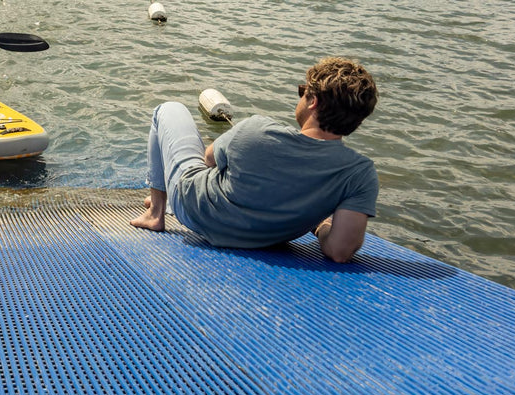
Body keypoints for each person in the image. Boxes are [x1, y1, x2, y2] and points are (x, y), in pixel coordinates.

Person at [130, 57, 378, 263]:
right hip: (268, 239)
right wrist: (322, 224)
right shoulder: (359, 173)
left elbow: (207, 159)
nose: (300, 97)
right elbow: (339, 251)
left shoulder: (258, 129)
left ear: (314, 102)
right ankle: (161, 204)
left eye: (303, 92)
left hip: (196, 211)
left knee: (168, 110)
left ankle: (156, 212)